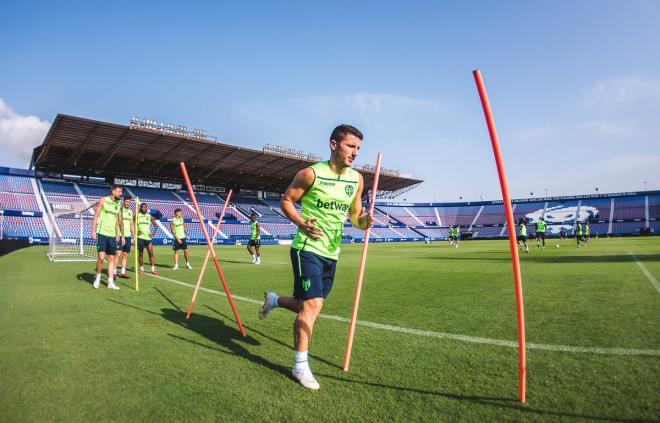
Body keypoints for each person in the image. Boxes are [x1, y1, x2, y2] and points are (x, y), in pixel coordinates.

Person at [258, 124, 372, 390]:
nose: (355, 153)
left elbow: (354, 216)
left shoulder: (356, 180)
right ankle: (300, 367)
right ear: (334, 144)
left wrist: (364, 221)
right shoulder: (310, 174)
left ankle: (274, 300)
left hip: (332, 252)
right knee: (313, 306)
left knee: (305, 304)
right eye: (350, 146)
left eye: (358, 148)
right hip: (306, 248)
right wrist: (300, 222)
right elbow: (286, 201)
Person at [91, 185, 123, 290]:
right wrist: (93, 231)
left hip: (112, 235)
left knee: (111, 258)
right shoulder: (103, 200)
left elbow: (117, 221)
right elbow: (96, 215)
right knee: (101, 258)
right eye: (119, 191)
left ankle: (110, 282)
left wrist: (118, 234)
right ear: (113, 191)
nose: (120, 193)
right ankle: (98, 279)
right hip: (102, 233)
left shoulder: (118, 204)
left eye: (121, 192)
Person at [137, 202, 159, 275]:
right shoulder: (137, 216)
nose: (144, 208)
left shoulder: (149, 216)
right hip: (140, 237)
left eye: (145, 207)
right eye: (142, 207)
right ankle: (141, 269)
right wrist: (136, 232)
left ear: (147, 208)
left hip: (148, 238)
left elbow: (156, 225)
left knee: (151, 253)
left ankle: (153, 269)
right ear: (140, 208)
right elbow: (132, 224)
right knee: (140, 254)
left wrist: (153, 233)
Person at [117, 196, 135, 279]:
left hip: (128, 236)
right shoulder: (120, 210)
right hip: (120, 235)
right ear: (123, 201)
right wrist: (120, 235)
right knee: (118, 254)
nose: (127, 203)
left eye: (129, 202)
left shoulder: (130, 212)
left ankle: (122, 272)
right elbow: (118, 223)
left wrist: (134, 236)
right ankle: (113, 272)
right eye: (126, 201)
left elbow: (131, 224)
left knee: (125, 254)